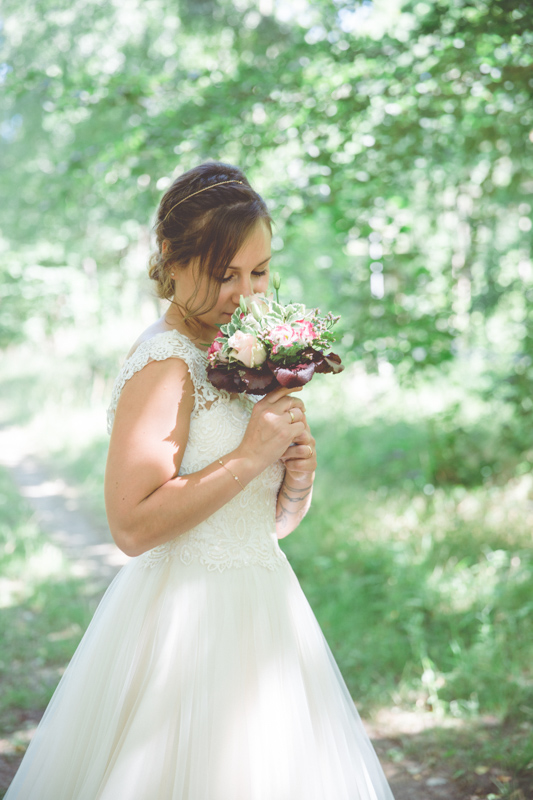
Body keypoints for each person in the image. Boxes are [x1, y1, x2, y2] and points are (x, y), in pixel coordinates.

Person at [6, 162, 395, 799]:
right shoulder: (167, 364)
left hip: (266, 617)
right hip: (186, 632)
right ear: (172, 259)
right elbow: (131, 527)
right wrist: (248, 456)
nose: (244, 295)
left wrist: (296, 474)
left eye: (259, 271)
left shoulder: (241, 357)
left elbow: (265, 525)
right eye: (224, 274)